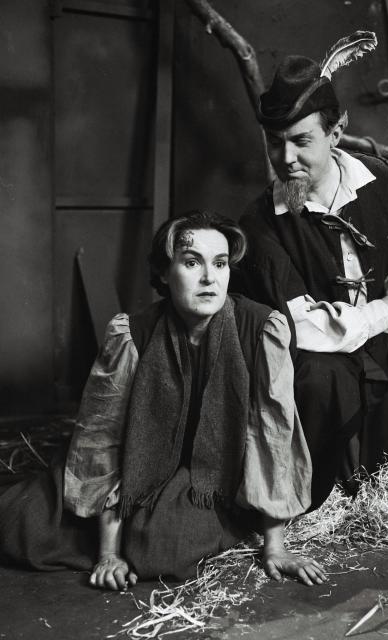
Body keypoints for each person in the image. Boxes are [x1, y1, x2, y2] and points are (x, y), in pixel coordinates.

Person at [0, 210, 326, 589]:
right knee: (23, 527)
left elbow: (272, 438)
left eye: (220, 264)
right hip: (141, 461)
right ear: (164, 273)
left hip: (214, 473)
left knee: (162, 548)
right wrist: (108, 554)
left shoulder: (261, 329)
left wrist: (275, 548)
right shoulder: (132, 334)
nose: (209, 278)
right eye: (192, 263)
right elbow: (103, 438)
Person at [235, 52, 388, 509]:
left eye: (301, 141)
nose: (286, 159)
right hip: (324, 366)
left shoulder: (381, 178)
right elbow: (305, 327)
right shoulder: (260, 223)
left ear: (336, 132)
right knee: (335, 467)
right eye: (275, 143)